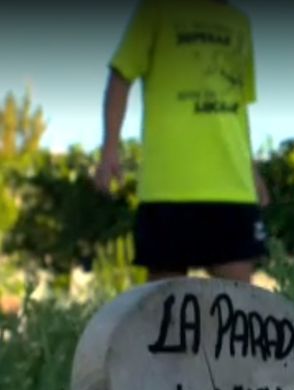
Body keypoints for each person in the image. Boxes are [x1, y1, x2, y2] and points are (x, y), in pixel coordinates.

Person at [94, 0, 270, 285]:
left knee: (240, 311)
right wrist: (109, 150)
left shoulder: (240, 23)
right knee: (164, 312)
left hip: (232, 190)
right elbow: (120, 77)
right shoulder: (155, 11)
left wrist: (252, 171)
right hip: (168, 189)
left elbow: (239, 107)